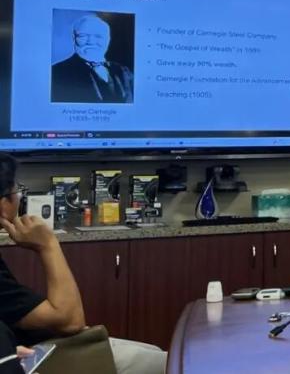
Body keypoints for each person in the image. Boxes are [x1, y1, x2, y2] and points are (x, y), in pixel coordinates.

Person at [0, 154, 166, 373]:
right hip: (40, 357)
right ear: (3, 204)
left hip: (36, 348)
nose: (20, 198)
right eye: (17, 191)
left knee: (155, 352)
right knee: (167, 363)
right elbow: (70, 321)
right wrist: (48, 245)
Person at [51, 14, 134, 104]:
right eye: (83, 36)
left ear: (108, 39)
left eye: (98, 36)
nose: (91, 41)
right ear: (74, 39)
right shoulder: (56, 72)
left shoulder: (124, 71)